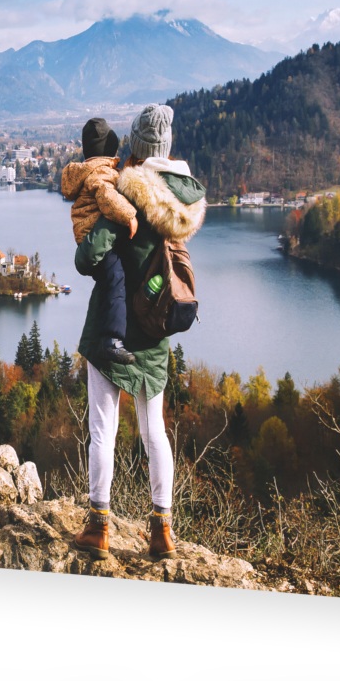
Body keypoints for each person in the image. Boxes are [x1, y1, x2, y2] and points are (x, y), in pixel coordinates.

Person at [72, 104, 206, 561]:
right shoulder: (180, 203)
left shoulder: (127, 192)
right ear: (166, 149)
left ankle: (98, 527)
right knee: (155, 434)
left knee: (102, 431)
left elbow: (87, 258)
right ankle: (162, 530)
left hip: (110, 335)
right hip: (153, 335)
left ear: (137, 145)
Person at [60, 117, 138, 365]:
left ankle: (109, 336)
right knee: (116, 278)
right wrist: (130, 216)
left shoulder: (88, 170)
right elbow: (107, 199)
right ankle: (112, 340)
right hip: (95, 237)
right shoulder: (101, 172)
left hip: (87, 237)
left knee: (110, 281)